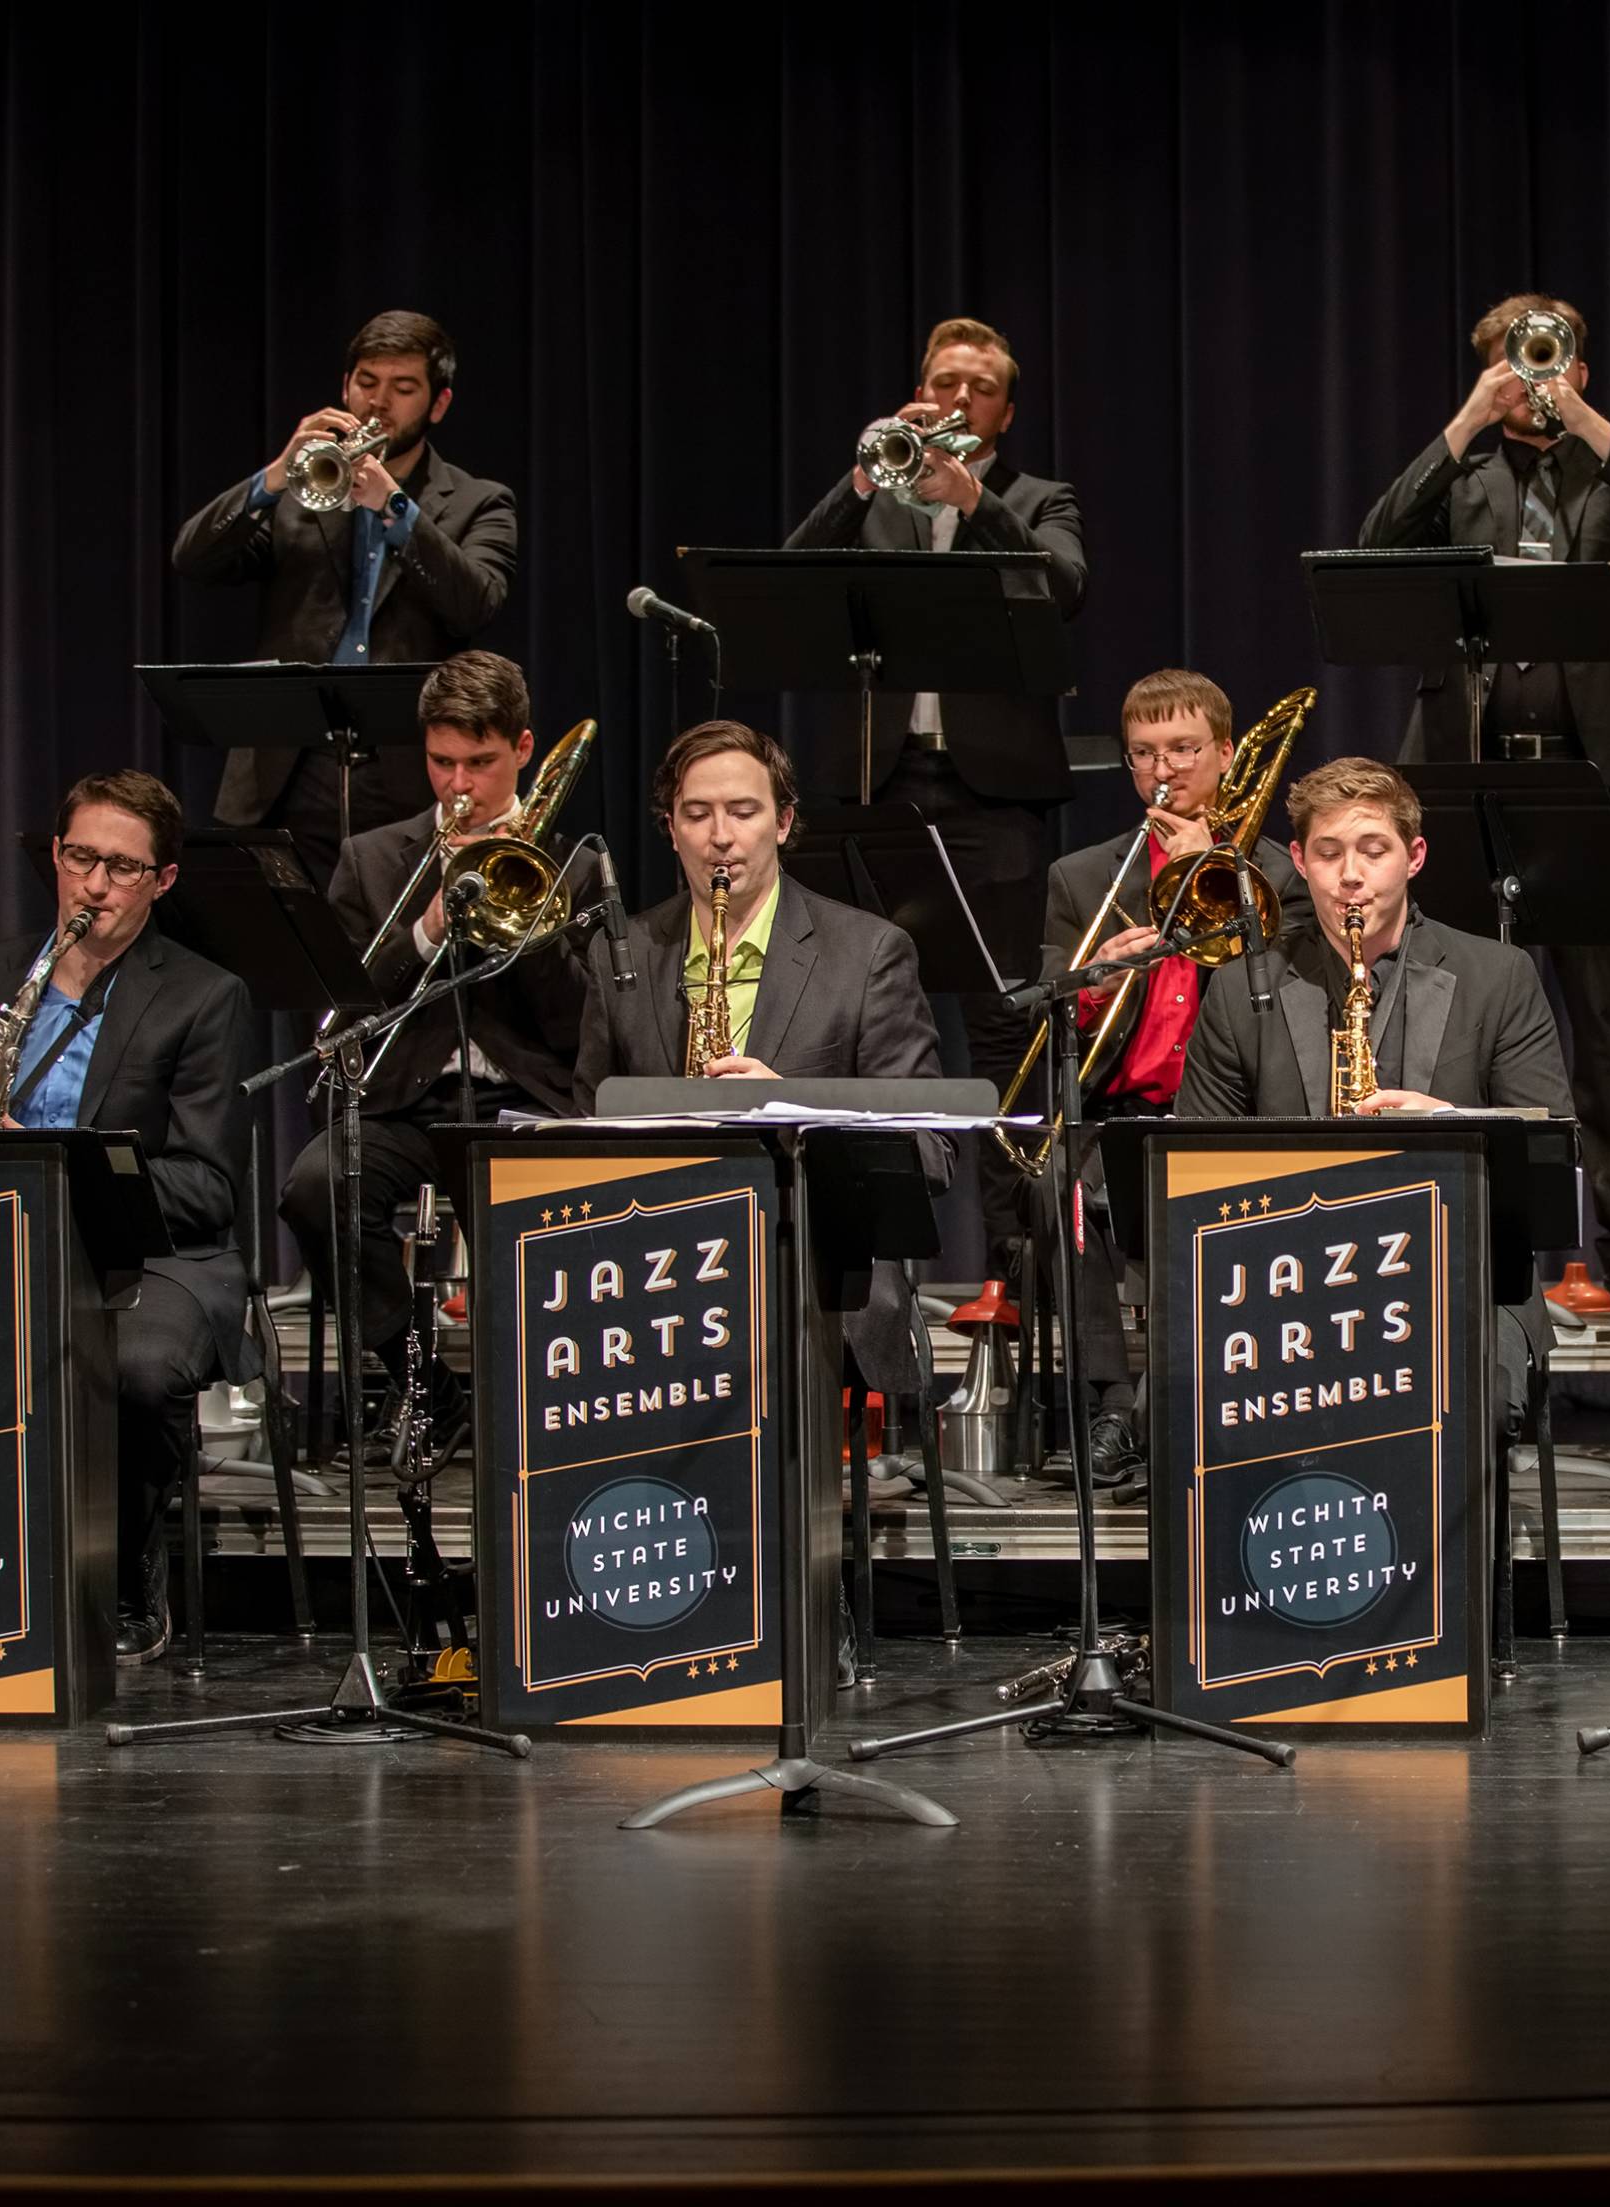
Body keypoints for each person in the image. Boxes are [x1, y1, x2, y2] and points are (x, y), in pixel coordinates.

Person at [1358, 292, 1610, 1280]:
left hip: (1601, 781)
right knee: (1459, 1006)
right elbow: (1378, 542)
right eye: (1512, 365)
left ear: (1580, 370)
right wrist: (1470, 419)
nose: (1532, 379)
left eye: (1548, 362)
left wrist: (1586, 423)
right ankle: (1465, 1236)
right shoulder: (1462, 469)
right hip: (1470, 776)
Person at [786, 317, 1089, 1298]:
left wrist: (979, 503)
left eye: (980, 389)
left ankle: (1010, 1270)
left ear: (1005, 410)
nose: (959, 401)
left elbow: (1065, 590)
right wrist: (864, 478)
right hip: (871, 782)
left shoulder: (1038, 498)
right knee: (850, 1019)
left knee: (1005, 1030)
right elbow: (791, 574)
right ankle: (861, 1264)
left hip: (990, 795)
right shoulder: (877, 496)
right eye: (944, 383)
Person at [1177, 757, 1569, 1449]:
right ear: (1298, 859)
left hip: (1462, 1281)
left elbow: (1548, 1153)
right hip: (1283, 1286)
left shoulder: (1498, 976)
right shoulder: (1242, 990)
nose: (1349, 875)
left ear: (1414, 857)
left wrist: (1444, 1125)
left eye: (1373, 850)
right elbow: (1189, 1183)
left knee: (1472, 1401)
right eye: (1327, 854)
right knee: (1180, 1410)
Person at [573, 721, 950, 1411]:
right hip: (659, 1261)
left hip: (816, 1262)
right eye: (698, 814)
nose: (721, 835)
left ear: (783, 823)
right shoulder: (619, 954)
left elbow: (929, 1151)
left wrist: (799, 1108)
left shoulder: (869, 953)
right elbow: (585, 1124)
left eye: (743, 812)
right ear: (671, 828)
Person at [0, 773, 255, 1659]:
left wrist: (56, 1164)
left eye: (123, 869)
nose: (95, 886)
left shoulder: (204, 996)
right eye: (82, 858)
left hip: (147, 1259)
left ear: (162, 881)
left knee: (132, 1368)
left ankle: (130, 1580)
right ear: (54, 856)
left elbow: (207, 1186)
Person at [280, 653, 585, 1463]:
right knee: (317, 1185)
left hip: (524, 1099)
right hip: (405, 1102)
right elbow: (345, 1006)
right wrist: (425, 929)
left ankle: (546, 1412)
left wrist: (534, 932)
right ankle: (426, 1388)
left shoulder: (575, 860)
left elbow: (580, 1025)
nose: (459, 785)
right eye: (442, 761)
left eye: (480, 764)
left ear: (523, 749)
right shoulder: (374, 858)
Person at [1033, 670, 1307, 1487]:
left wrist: (1212, 876)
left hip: (1238, 1111)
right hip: (1122, 1107)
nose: (1165, 771)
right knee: (1058, 1186)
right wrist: (1094, 988)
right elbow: (1051, 1018)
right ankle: (1116, 1406)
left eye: (1184, 750)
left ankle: (1193, 1406)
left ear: (1226, 755)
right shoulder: (1084, 879)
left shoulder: (1279, 875)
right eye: (1145, 754)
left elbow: (1285, 1001)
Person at [169, 311, 518, 882]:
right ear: (345, 386)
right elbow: (193, 557)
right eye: (366, 383)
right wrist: (274, 477)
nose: (378, 404)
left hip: (403, 770)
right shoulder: (299, 492)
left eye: (403, 388)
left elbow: (475, 602)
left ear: (439, 404)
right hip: (286, 766)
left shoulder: (481, 502)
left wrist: (396, 506)